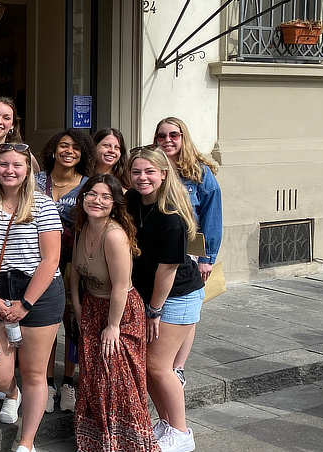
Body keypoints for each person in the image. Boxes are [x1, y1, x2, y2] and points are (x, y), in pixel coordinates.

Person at [0, 142, 64, 452]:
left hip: (38, 294)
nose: (9, 171)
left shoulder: (42, 204)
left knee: (34, 373)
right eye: (4, 165)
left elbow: (50, 260)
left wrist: (25, 304)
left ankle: (26, 442)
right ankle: (12, 394)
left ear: (28, 171)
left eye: (17, 165)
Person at [69, 174, 159, 452]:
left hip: (119, 313)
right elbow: (74, 272)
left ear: (114, 203)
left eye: (105, 196)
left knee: (119, 381)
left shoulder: (115, 235)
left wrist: (113, 326)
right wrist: (78, 307)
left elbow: (121, 286)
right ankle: (98, 442)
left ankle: (129, 444)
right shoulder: (83, 228)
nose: (97, 200)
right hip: (92, 308)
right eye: (92, 194)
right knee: (94, 378)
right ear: (83, 198)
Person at [127, 146, 204, 452]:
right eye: (136, 171)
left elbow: (167, 270)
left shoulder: (170, 214)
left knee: (159, 366)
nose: (142, 177)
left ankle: (182, 433)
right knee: (147, 366)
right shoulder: (132, 200)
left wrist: (154, 310)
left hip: (176, 296)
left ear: (162, 174)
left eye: (149, 172)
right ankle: (167, 423)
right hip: (152, 295)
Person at [154, 117, 222, 388]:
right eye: (162, 136)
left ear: (184, 137)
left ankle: (178, 367)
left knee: (187, 310)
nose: (167, 140)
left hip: (190, 253)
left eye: (174, 135)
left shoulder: (200, 173)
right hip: (157, 249)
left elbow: (211, 218)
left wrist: (206, 259)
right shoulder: (152, 166)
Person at [34, 128, 94, 414]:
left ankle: (68, 382)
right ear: (53, 150)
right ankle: (46, 383)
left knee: (72, 324)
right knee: (46, 323)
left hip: (74, 264)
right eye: (63, 146)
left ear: (83, 154)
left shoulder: (87, 185)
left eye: (75, 148)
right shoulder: (35, 181)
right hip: (38, 261)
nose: (69, 151)